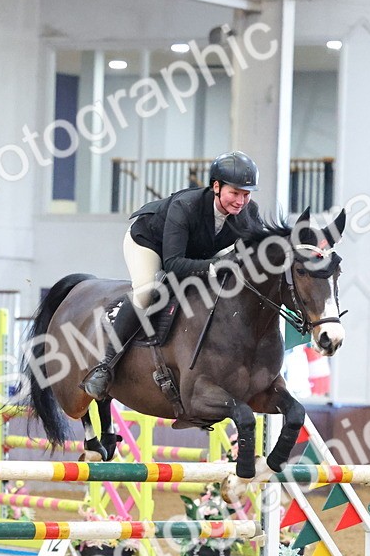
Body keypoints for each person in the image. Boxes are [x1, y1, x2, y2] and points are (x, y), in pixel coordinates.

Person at [80, 150, 263, 399]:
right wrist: (215, 266)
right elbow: (173, 264)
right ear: (217, 187)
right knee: (147, 291)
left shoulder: (249, 214)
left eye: (246, 194)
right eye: (235, 193)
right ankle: (105, 367)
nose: (241, 201)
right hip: (149, 243)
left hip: (196, 252)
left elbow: (259, 254)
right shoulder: (185, 206)